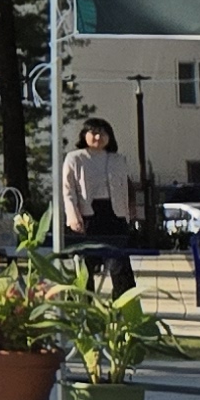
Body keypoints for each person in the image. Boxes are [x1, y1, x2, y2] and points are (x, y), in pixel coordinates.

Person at [59, 116, 137, 297]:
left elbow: (127, 185)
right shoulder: (74, 158)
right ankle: (84, 305)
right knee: (85, 265)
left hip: (114, 215)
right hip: (87, 216)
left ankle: (124, 306)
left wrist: (130, 210)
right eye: (93, 133)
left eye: (103, 133)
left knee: (121, 264)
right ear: (84, 135)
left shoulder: (118, 159)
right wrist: (73, 216)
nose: (98, 137)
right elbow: (68, 190)